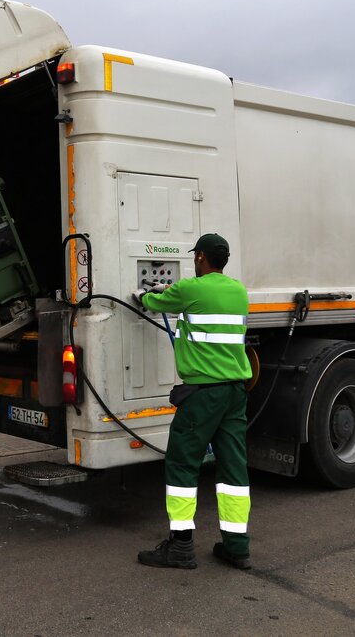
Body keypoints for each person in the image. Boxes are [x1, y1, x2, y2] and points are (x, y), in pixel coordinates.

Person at [133, 233, 253, 570]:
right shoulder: (238, 291)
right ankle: (237, 546)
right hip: (234, 393)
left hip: (203, 395)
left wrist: (147, 294)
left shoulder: (191, 288)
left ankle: (181, 546)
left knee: (182, 464)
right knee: (233, 468)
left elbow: (154, 304)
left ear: (201, 257)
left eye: (195, 257)